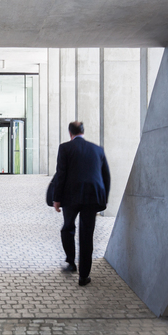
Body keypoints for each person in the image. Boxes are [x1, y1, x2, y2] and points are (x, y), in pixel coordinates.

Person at [52, 121, 110, 287]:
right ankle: (84, 276)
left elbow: (61, 174)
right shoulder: (98, 149)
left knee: (68, 227)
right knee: (87, 236)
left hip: (71, 197)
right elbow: (106, 176)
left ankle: (71, 262)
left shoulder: (65, 148)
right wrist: (103, 199)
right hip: (92, 198)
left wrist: (57, 199)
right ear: (83, 132)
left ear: (70, 133)